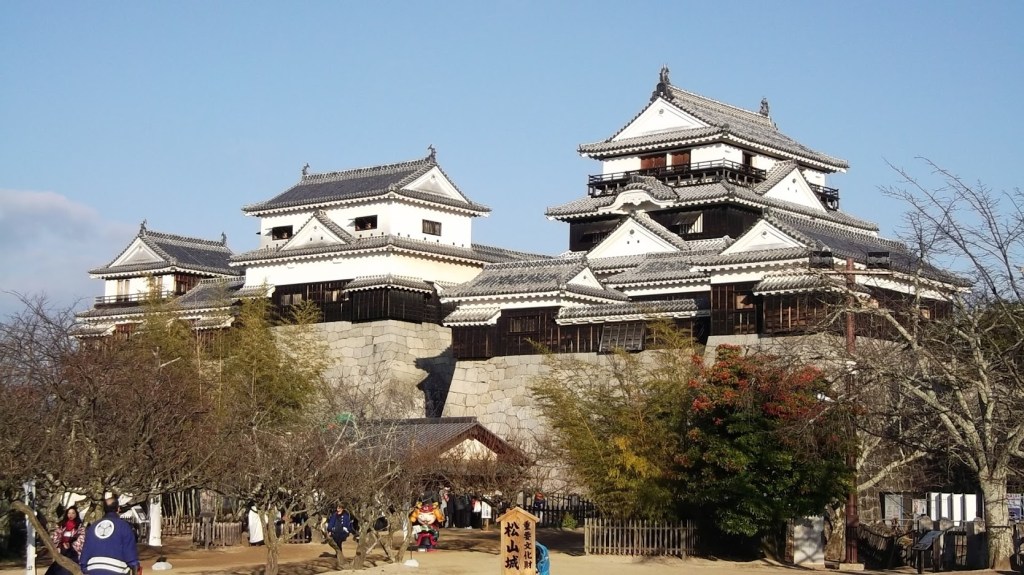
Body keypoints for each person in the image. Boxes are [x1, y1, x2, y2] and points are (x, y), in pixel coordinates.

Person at [79, 495, 139, 575]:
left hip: (93, 568)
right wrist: (134, 565)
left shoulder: (93, 526)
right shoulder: (124, 526)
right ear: (118, 509)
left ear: (104, 509)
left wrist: (84, 566)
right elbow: (129, 552)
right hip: (117, 569)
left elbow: (86, 548)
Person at [46, 506, 85, 575]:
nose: (70, 515)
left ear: (76, 514)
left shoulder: (80, 527)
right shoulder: (62, 526)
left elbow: (82, 538)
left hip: (73, 553)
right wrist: (60, 544)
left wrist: (71, 545)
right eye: (69, 513)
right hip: (62, 552)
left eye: (73, 513)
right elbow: (56, 537)